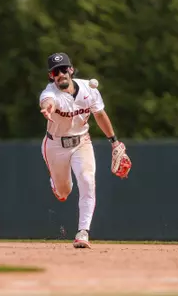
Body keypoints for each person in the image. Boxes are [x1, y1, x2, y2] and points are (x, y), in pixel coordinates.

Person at [39, 52, 131, 249]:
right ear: (51, 76)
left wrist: (114, 142)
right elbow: (48, 102)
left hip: (82, 142)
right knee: (64, 192)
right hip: (55, 145)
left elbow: (99, 114)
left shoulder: (89, 90)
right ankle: (57, 184)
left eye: (64, 69)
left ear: (71, 70)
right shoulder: (50, 93)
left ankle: (83, 232)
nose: (61, 74)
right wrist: (47, 108)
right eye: (56, 71)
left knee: (88, 180)